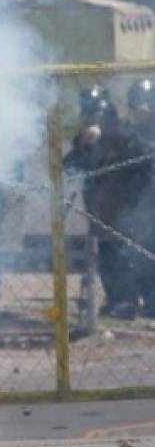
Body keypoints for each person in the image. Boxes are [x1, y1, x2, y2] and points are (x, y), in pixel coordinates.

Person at [64, 87, 150, 320]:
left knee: (135, 256)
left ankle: (140, 302)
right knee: (109, 257)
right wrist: (84, 145)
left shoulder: (125, 136)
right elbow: (69, 167)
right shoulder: (89, 140)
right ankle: (120, 301)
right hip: (101, 212)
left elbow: (142, 164)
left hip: (127, 211)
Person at [124, 78, 155, 316]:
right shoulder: (128, 132)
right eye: (138, 104)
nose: (142, 109)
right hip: (138, 206)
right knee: (140, 254)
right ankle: (147, 301)